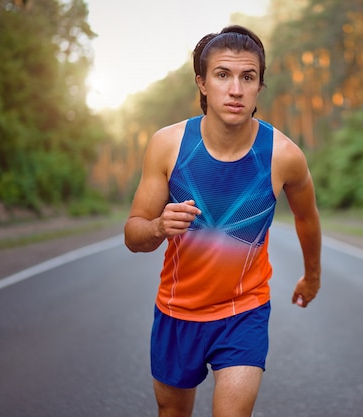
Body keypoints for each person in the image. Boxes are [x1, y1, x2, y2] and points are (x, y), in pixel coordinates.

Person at [124, 25, 322, 417]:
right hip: (177, 312)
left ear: (259, 87)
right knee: (172, 412)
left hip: (243, 311)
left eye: (247, 77)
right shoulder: (169, 144)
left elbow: (306, 217)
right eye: (222, 75)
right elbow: (134, 234)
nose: (235, 89)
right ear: (202, 83)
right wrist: (159, 227)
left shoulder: (283, 155)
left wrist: (312, 276)